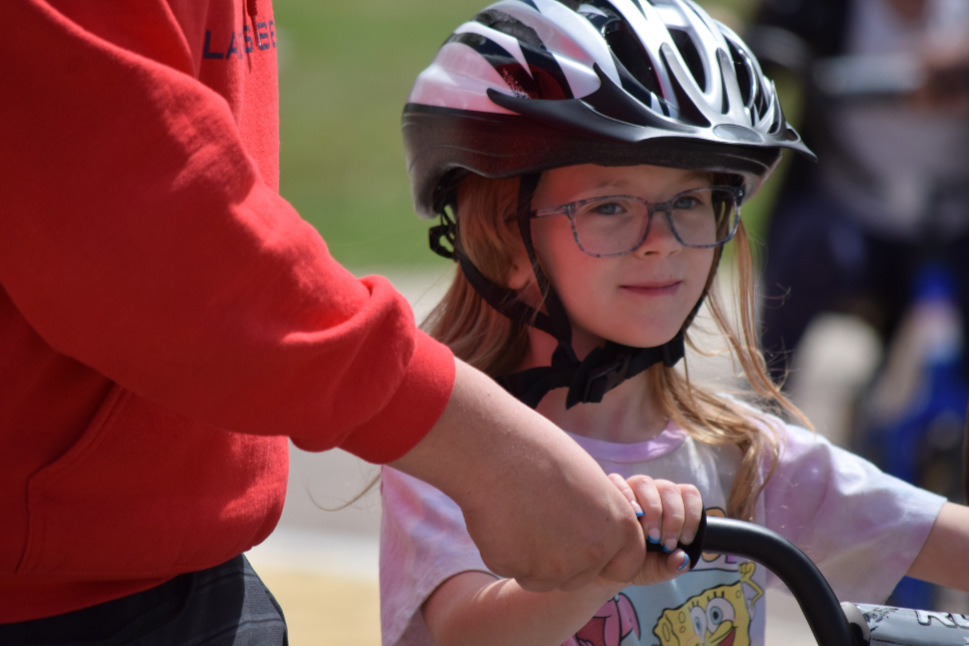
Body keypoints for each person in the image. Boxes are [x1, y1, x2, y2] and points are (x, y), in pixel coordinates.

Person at [1, 1, 656, 643]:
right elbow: (149, 237)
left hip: (172, 563)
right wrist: (483, 452)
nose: (659, 243)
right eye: (607, 209)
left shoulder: (758, 449)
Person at [378, 1, 969, 645]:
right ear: (506, 239)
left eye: (689, 199)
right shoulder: (454, 445)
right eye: (609, 205)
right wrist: (605, 561)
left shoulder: (746, 461)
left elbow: (943, 540)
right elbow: (468, 633)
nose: (662, 240)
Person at [750, 0, 969, 384]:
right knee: (807, 248)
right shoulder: (822, 11)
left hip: (955, 219)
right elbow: (760, 52)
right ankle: (765, 394)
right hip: (851, 209)